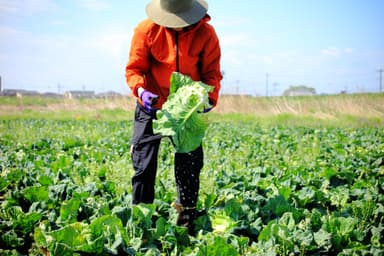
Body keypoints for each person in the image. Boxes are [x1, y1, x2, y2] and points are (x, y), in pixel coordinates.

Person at [125, 0, 222, 234]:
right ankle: (141, 218)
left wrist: (208, 99)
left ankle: (186, 217)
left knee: (189, 162)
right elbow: (134, 69)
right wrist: (140, 90)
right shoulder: (146, 30)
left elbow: (212, 74)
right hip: (151, 105)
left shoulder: (206, 34)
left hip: (186, 110)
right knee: (144, 163)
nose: (178, 26)